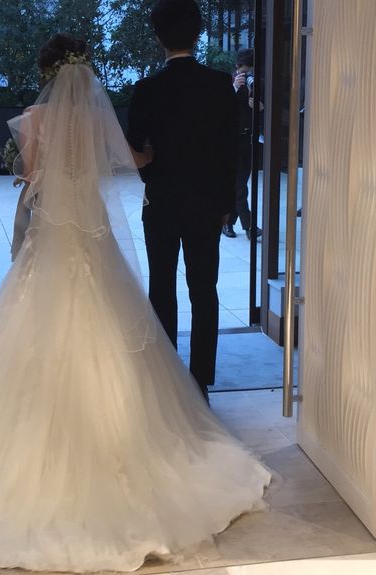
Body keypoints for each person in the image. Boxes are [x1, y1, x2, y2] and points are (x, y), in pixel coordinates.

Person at [0, 33, 270, 573]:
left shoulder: (34, 119)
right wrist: (156, 154)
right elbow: (135, 159)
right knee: (114, 317)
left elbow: (31, 177)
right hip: (91, 232)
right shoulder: (97, 119)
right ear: (84, 74)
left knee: (30, 327)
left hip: (52, 234)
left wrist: (27, 177)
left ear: (47, 72)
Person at [127, 0, 238, 401]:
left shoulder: (147, 89)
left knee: (162, 286)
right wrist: (228, 203)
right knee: (204, 288)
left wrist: (152, 170)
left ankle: (166, 377)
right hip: (207, 201)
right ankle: (200, 380)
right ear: (198, 33)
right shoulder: (220, 85)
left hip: (161, 199)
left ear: (158, 37)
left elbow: (134, 148)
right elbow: (231, 149)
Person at [222, 48, 262, 240]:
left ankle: (228, 223)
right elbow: (220, 110)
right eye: (245, 71)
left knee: (239, 185)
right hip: (231, 142)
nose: (247, 75)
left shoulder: (257, 83)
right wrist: (235, 89)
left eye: (251, 71)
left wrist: (260, 107)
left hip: (249, 140)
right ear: (237, 67)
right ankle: (250, 227)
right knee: (239, 186)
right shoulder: (227, 84)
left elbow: (267, 112)